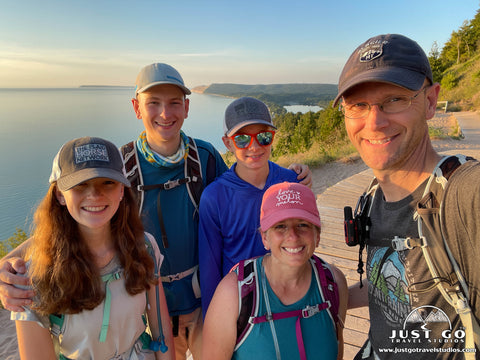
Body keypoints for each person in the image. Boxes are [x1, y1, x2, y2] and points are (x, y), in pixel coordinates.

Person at [0, 63, 310, 360]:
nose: (165, 113)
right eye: (153, 103)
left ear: (187, 108)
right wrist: (9, 262)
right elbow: (67, 217)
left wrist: (291, 178)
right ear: (136, 107)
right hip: (152, 309)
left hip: (204, 306)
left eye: (175, 102)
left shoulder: (205, 158)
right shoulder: (119, 168)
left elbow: (242, 188)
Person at [334, 34, 480, 358]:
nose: (374, 121)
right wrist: (329, 290)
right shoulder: (371, 198)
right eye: (358, 105)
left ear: (430, 101)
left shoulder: (463, 195)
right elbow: (398, 285)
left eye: (395, 99)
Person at [10, 136, 174, 360]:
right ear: (60, 194)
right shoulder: (33, 276)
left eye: (108, 182)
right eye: (80, 185)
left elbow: (160, 330)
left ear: (122, 191)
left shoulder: (144, 247)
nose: (95, 195)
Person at [202, 182, 347, 360]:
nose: (293, 236)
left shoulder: (333, 282)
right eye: (280, 226)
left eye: (302, 224)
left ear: (317, 235)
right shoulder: (234, 293)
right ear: (265, 238)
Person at [198, 96, 308, 317]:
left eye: (264, 137)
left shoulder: (290, 183)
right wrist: (213, 322)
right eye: (242, 139)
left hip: (289, 302)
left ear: (272, 137)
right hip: (241, 307)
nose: (254, 146)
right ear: (228, 143)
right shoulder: (215, 197)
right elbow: (209, 269)